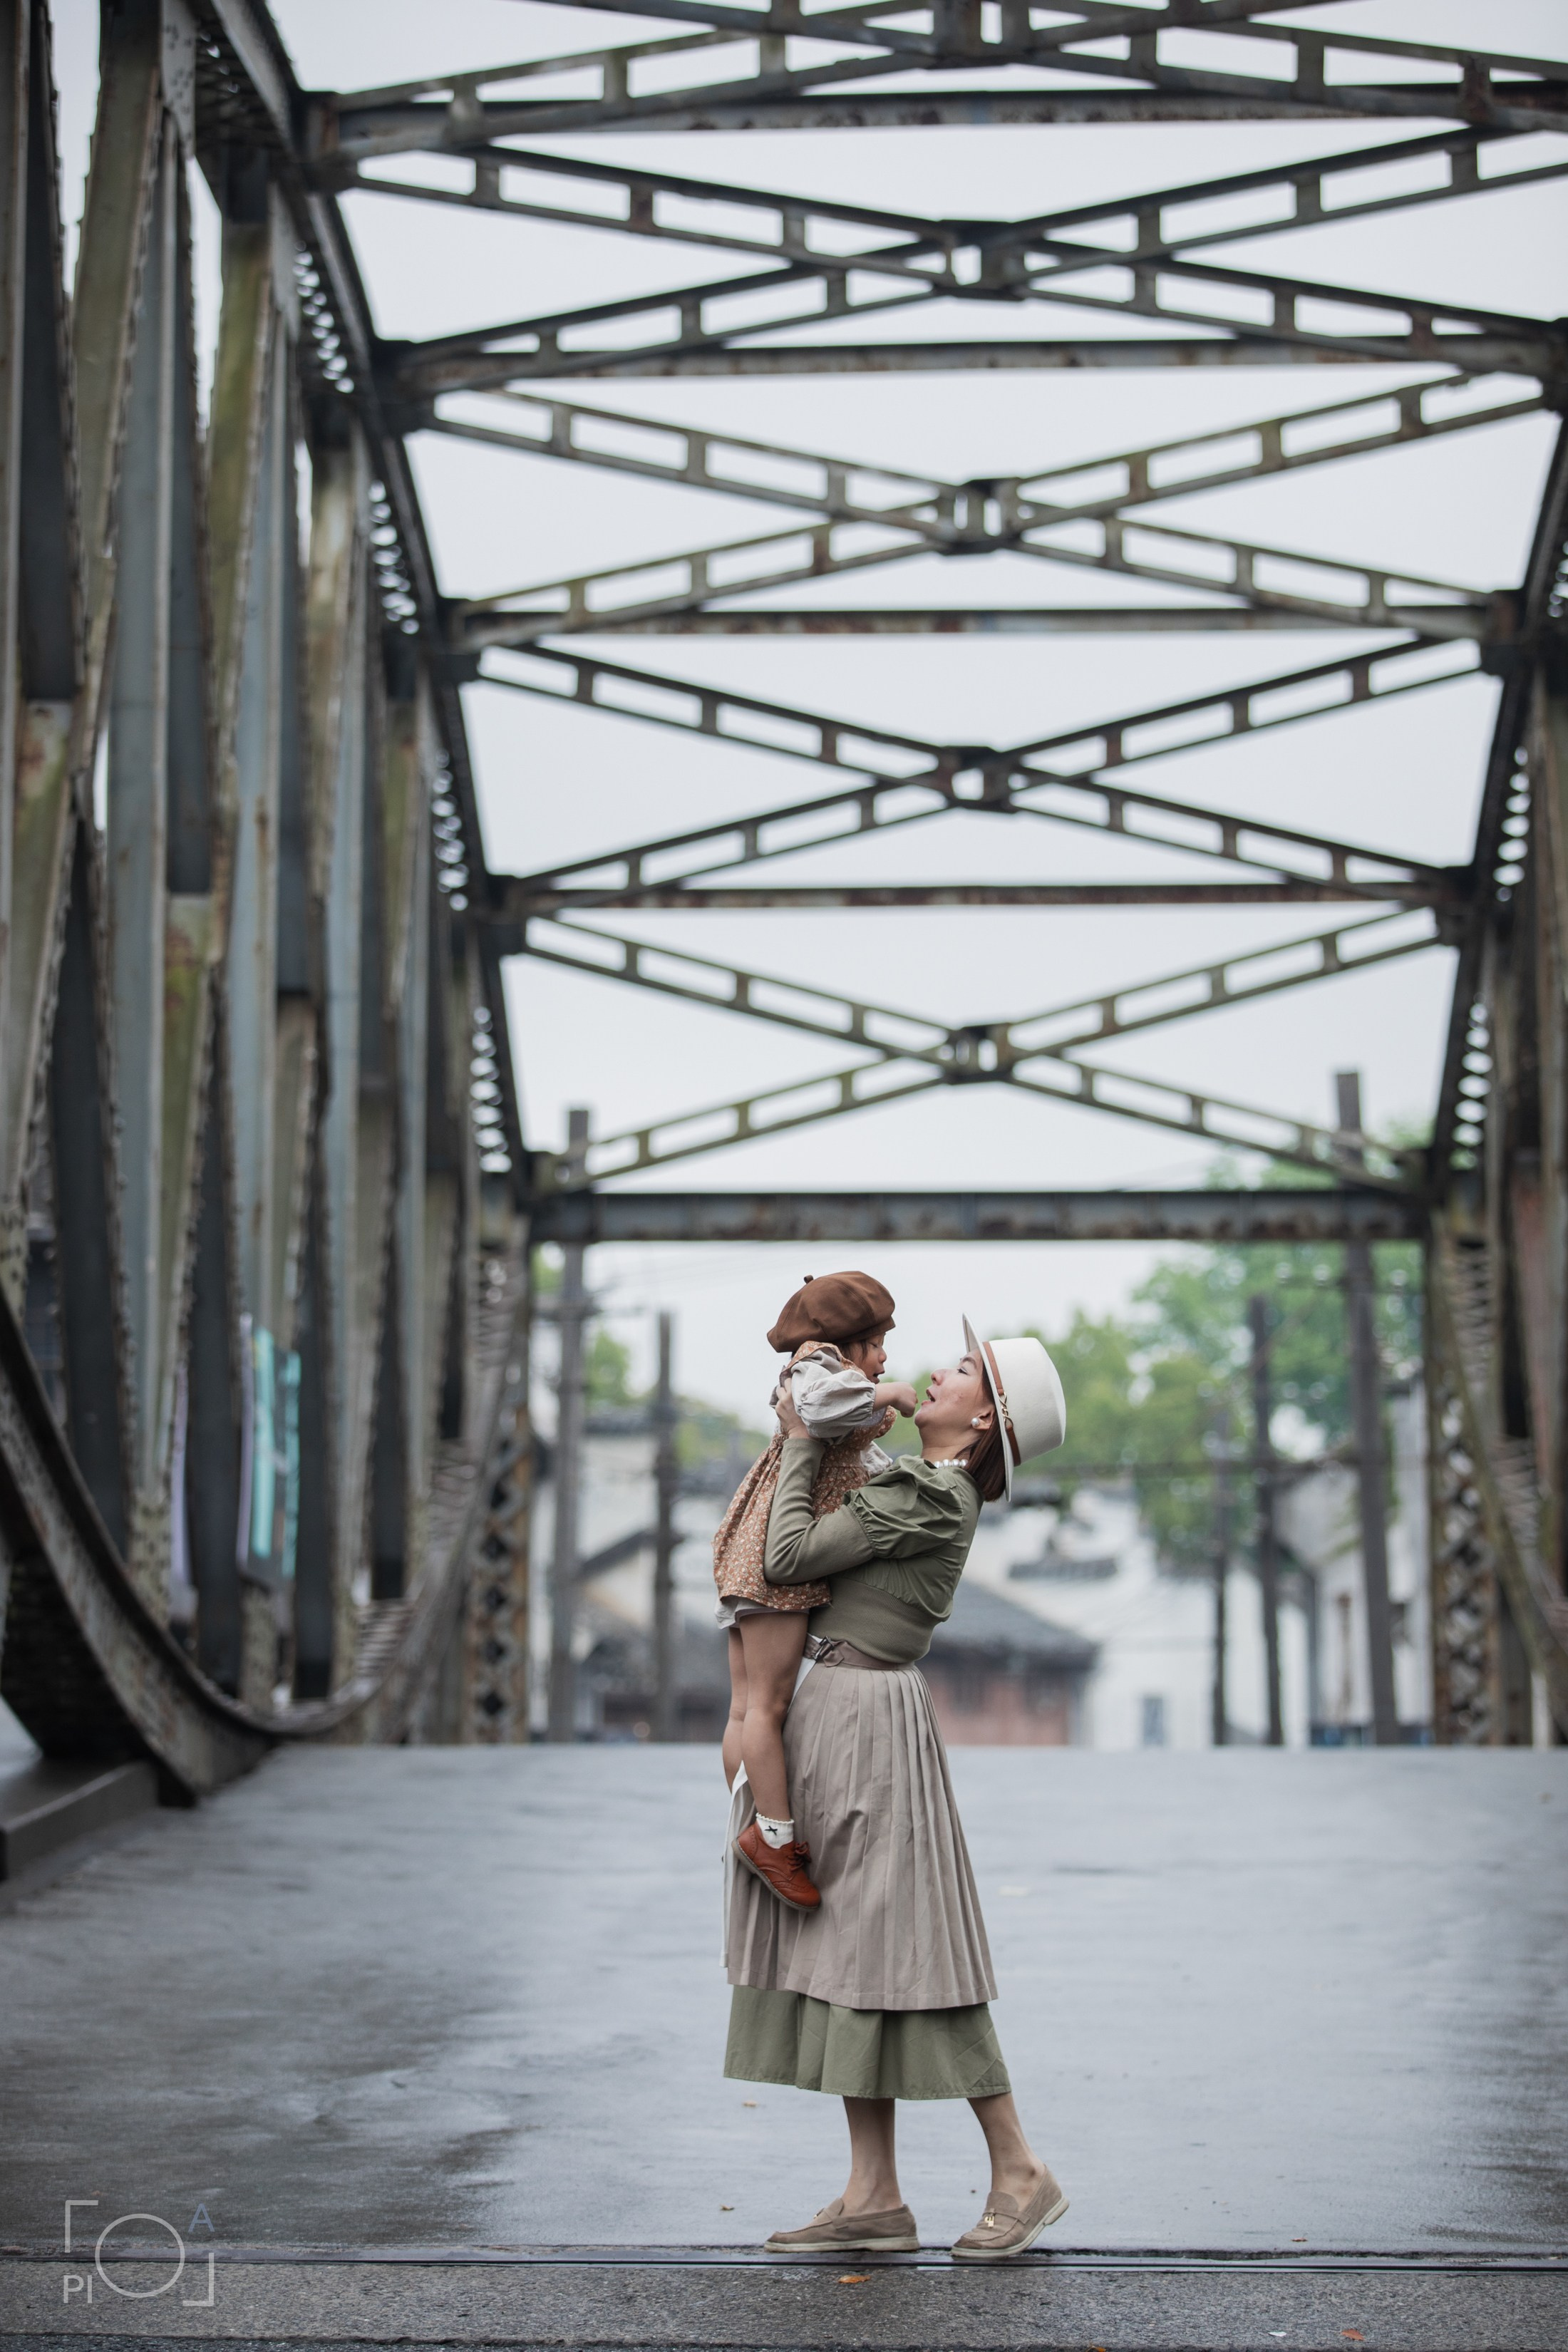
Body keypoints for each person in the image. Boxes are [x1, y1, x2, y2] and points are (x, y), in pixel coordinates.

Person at [723, 1319, 1071, 2263]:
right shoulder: (908, 1480)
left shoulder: (932, 1493)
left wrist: (801, 1440)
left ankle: (1020, 2171)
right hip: (834, 1713)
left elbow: (790, 1556)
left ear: (986, 1415)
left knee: (909, 1950)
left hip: (866, 1726)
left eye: (959, 1370)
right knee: (850, 1953)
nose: (933, 1372)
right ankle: (874, 2192)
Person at [715, 1273, 918, 1913]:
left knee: (749, 1703)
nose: (884, 1356)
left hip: (749, 1551)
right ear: (846, 1340)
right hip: (776, 1560)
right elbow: (824, 1415)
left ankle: (748, 1818)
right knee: (768, 1705)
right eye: (878, 1342)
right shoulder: (822, 1373)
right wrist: (891, 1394)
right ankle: (772, 1837)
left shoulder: (820, 1372)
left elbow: (849, 1458)